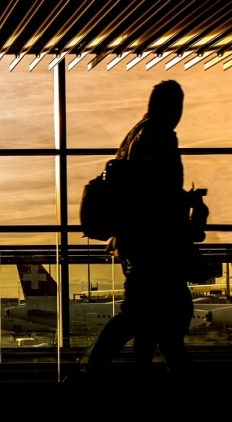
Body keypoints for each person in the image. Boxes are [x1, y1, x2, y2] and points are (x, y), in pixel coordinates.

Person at [82, 80, 199, 382]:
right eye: (178, 105)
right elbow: (158, 193)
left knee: (146, 318)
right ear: (171, 106)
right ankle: (94, 372)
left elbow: (140, 192)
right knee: (153, 319)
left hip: (136, 242)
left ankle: (106, 372)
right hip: (155, 244)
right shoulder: (160, 136)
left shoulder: (134, 136)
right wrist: (184, 203)